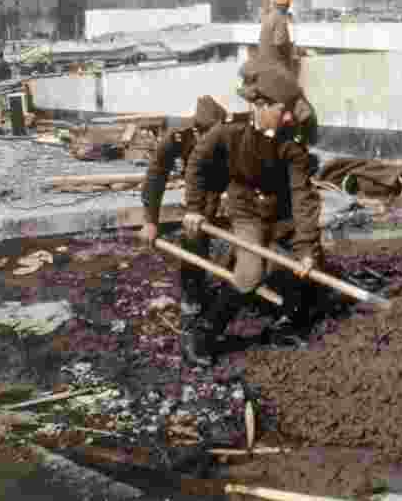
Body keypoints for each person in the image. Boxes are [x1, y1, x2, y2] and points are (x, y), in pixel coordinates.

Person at [181, 59, 325, 367]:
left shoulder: (291, 147)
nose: (288, 117)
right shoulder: (228, 135)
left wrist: (307, 250)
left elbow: (303, 196)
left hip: (281, 212)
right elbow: (196, 163)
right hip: (245, 210)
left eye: (289, 110)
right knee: (251, 272)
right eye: (282, 110)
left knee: (305, 263)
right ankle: (203, 334)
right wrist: (193, 208)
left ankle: (285, 325)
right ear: (261, 106)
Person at [139, 96, 228, 315]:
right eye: (203, 134)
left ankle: (237, 285)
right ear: (196, 131)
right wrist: (150, 221)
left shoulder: (229, 134)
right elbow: (156, 175)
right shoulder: (178, 136)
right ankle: (192, 290)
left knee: (237, 228)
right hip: (195, 178)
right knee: (194, 230)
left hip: (225, 175)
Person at [258, 0, 297, 74]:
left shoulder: (269, 16)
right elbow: (280, 42)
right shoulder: (280, 18)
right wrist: (290, 51)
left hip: (264, 61)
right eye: (288, 5)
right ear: (286, 6)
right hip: (275, 64)